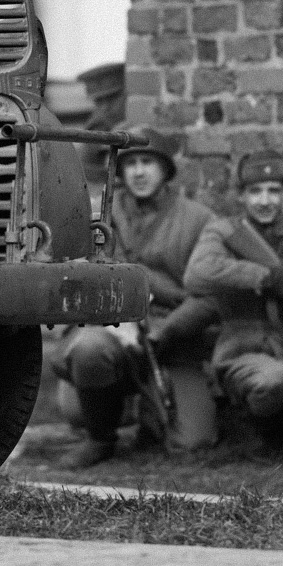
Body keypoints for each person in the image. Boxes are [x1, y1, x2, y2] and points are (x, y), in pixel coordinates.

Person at [52, 126, 218, 468]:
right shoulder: (100, 214)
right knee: (90, 353)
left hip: (172, 343)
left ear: (165, 169)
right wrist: (113, 321)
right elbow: (75, 278)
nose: (139, 172)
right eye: (130, 164)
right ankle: (100, 438)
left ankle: (150, 411)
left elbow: (211, 297)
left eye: (148, 162)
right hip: (112, 334)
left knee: (192, 442)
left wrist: (163, 332)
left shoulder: (199, 220)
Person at [183, 151, 283, 457]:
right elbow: (197, 274)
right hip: (242, 351)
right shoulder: (224, 231)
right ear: (241, 195)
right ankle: (263, 428)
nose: (265, 201)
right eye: (255, 191)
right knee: (272, 380)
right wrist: (263, 276)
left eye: (273, 191)